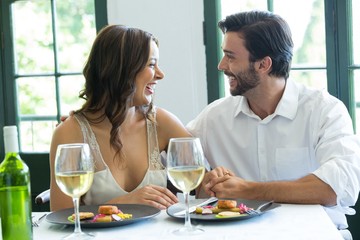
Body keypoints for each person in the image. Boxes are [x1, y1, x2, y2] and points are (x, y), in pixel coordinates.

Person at [186, 10, 360, 239]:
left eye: (230, 56)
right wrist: (209, 179)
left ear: (263, 65)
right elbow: (176, 155)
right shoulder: (214, 117)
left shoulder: (324, 111)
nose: (221, 65)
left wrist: (248, 190)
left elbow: (338, 188)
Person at [49, 25, 191, 212]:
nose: (160, 74)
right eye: (151, 64)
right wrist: (124, 203)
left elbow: (205, 180)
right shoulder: (70, 132)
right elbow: (61, 215)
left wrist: (216, 179)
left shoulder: (161, 123)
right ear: (121, 69)